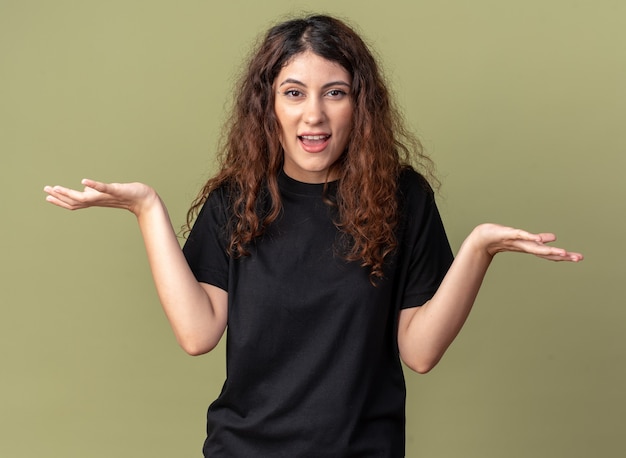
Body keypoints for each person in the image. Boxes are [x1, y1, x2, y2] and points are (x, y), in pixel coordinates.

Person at [43, 14, 582, 458]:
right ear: (269, 106)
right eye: (294, 93)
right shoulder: (237, 199)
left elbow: (419, 352)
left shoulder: (403, 198)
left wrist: (479, 249)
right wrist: (146, 208)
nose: (314, 114)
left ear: (360, 105)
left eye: (336, 92)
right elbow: (197, 333)